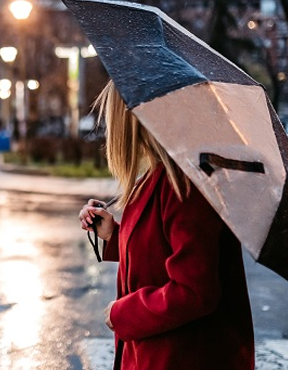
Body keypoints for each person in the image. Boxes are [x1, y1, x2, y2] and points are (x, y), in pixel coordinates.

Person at [79, 80, 254, 370]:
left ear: (134, 120)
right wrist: (113, 234)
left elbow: (194, 291)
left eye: (112, 118)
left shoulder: (183, 185)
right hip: (158, 353)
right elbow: (160, 254)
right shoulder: (158, 179)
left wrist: (124, 313)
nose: (109, 130)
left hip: (179, 357)